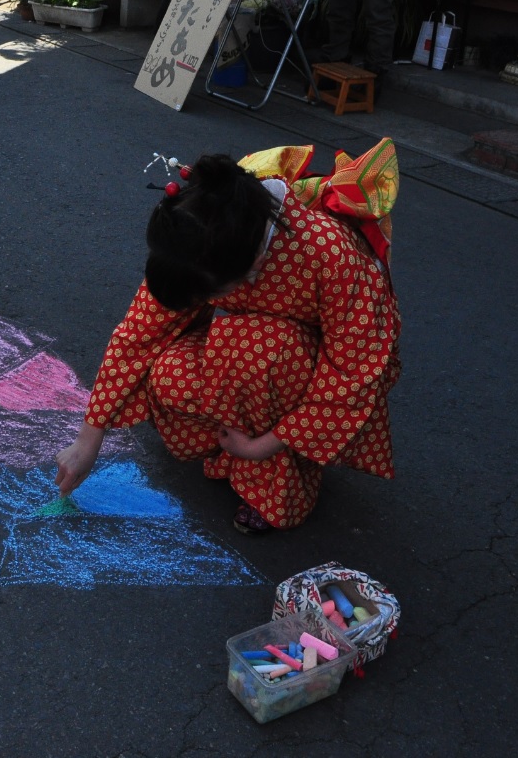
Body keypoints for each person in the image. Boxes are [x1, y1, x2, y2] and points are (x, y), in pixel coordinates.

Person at [55, 141, 402, 533]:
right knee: (169, 372)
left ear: (254, 263)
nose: (205, 300)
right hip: (253, 357)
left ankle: (275, 482)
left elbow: (354, 372)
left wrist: (263, 445)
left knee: (260, 347)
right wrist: (89, 439)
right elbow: (139, 332)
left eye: (212, 293)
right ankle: (233, 448)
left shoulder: (330, 253)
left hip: (306, 368)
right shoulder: (205, 230)